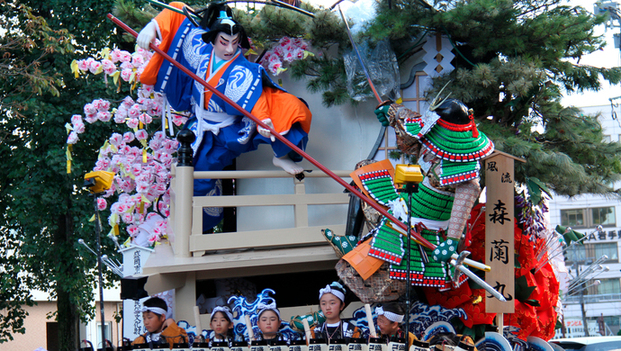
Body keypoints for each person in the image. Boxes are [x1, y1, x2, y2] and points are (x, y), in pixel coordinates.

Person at [136, 2, 312, 231]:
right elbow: (177, 13)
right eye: (223, 42)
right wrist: (152, 27)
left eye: (235, 43)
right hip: (198, 124)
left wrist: (264, 121)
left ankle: (279, 154)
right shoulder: (200, 48)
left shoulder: (242, 69)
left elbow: (254, 98)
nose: (230, 49)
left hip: (228, 130)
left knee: (288, 108)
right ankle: (197, 231)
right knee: (192, 181)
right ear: (212, 38)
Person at [338, 97, 494, 297]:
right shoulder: (431, 136)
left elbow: (469, 192)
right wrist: (391, 111)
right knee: (364, 168)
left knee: (392, 265)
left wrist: (452, 241)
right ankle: (351, 237)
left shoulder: (465, 167)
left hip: (423, 223)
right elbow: (410, 120)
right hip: (403, 201)